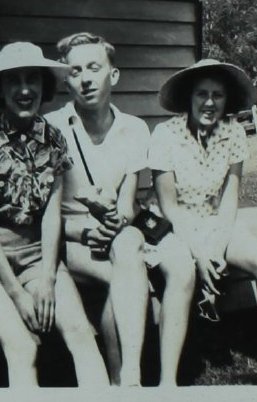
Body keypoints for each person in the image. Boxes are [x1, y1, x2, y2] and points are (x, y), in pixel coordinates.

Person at [149, 59, 257, 385]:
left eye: (218, 95)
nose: (210, 103)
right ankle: (167, 382)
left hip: (213, 220)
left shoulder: (233, 134)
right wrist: (200, 254)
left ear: (227, 100)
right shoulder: (165, 134)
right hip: (171, 226)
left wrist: (216, 247)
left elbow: (229, 200)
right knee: (183, 270)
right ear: (189, 97)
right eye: (202, 94)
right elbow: (168, 207)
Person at [0, 41, 109, 387]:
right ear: (0, 89)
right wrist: (17, 294)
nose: (24, 90)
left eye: (32, 80)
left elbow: (52, 216)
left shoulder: (53, 138)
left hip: (37, 253)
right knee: (23, 347)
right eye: (13, 81)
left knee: (81, 332)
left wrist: (50, 281)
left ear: (44, 85)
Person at [46, 32, 196, 387]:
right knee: (124, 274)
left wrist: (114, 222)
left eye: (94, 68)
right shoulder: (52, 128)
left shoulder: (134, 128)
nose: (85, 78)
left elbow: (128, 207)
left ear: (113, 75)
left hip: (115, 229)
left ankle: (153, 380)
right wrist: (87, 230)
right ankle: (124, 378)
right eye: (75, 70)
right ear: (66, 81)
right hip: (69, 238)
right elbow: (45, 213)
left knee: (156, 257)